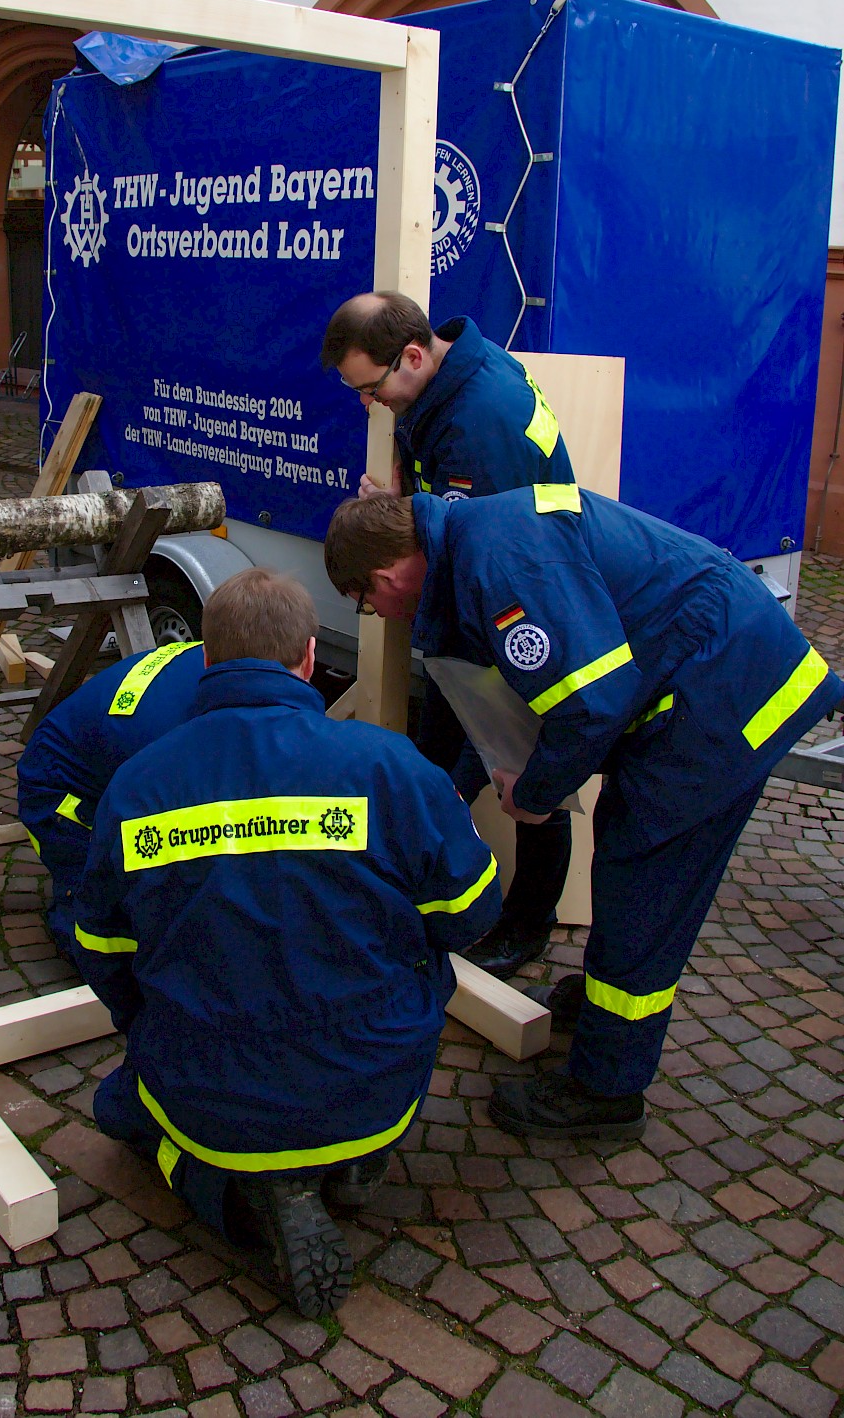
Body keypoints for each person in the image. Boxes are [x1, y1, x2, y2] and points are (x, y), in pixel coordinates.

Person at [323, 488, 841, 1140]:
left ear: (385, 575)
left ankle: (605, 1090)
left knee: (641, 884)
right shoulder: (469, 542)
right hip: (701, 679)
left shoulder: (495, 562)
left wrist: (535, 797)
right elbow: (496, 702)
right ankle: (602, 1011)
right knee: (626, 863)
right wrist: (453, 788)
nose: (382, 616)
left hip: (726, 699)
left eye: (370, 605)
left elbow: (592, 704)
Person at [72, 567, 500, 1316]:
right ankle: (360, 1155)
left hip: (210, 1083)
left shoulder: (136, 788)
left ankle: (246, 1203)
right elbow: (470, 915)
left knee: (118, 1109)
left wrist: (151, 1027)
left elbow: (102, 953)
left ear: (205, 661)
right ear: (308, 657)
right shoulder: (393, 767)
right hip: (375, 1073)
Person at [320, 289, 575, 977]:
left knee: (528, 771)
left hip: (521, 615)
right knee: (440, 765)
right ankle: (429, 897)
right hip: (484, 605)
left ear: (410, 355)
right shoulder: (448, 376)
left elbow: (478, 564)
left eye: (372, 389)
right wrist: (404, 505)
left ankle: (526, 926)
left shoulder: (478, 425)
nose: (369, 405)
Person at [18, 640, 205, 961]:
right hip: (59, 790)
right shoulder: (162, 733)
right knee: (117, 936)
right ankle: (77, 916)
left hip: (112, 756)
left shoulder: (223, 654)